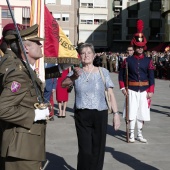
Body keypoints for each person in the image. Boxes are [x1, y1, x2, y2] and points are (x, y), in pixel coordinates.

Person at [62, 43, 120, 170]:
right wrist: (73, 77)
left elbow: (110, 94)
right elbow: (63, 84)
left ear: (94, 56)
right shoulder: (76, 71)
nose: (86, 55)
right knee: (85, 150)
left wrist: (116, 114)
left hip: (100, 114)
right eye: (83, 53)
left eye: (89, 52)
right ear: (80, 56)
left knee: (98, 150)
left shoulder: (103, 72)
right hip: (82, 115)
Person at [0, 24, 50, 170]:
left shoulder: (27, 71)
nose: (40, 45)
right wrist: (34, 114)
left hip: (28, 148)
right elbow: (3, 108)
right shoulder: (19, 74)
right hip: (21, 149)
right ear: (26, 48)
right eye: (36, 42)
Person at [119, 20, 155, 143]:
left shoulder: (148, 60)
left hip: (144, 91)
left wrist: (151, 90)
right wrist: (123, 88)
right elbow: (121, 75)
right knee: (131, 113)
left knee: (142, 113)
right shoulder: (127, 61)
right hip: (131, 90)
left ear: (144, 47)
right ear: (134, 47)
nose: (140, 49)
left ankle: (140, 134)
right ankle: (131, 134)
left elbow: (151, 76)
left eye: (141, 47)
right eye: (137, 47)